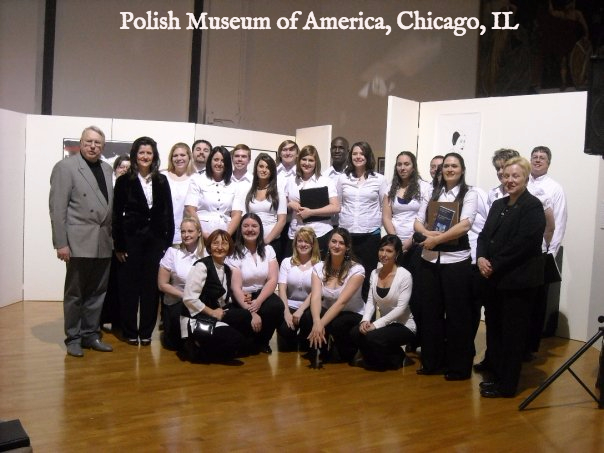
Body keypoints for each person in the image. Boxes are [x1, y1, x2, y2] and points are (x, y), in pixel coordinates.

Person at [476, 157, 546, 398]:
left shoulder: (533, 206)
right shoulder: (499, 204)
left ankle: (507, 385)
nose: (510, 180)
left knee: (512, 335)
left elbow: (523, 244)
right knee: (495, 330)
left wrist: (493, 264)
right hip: (495, 280)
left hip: (518, 282)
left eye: (515, 176)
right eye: (506, 176)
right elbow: (484, 236)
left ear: (526, 178)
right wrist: (481, 257)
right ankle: (495, 375)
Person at [49, 125, 114, 357]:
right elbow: (57, 209)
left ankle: (90, 335)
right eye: (89, 142)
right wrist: (61, 243)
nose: (93, 146)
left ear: (102, 146)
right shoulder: (65, 167)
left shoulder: (107, 168)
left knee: (98, 293)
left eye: (97, 143)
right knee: (75, 294)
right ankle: (73, 338)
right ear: (81, 143)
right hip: (78, 242)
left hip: (103, 241)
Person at [414, 152, 478, 381]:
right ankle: (432, 362)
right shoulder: (431, 192)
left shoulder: (470, 193)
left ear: (462, 170)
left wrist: (436, 240)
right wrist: (427, 234)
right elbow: (417, 221)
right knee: (430, 313)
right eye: (446, 166)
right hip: (429, 260)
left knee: (457, 315)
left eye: (454, 166)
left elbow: (465, 225)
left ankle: (458, 367)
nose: (450, 169)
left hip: (456, 261)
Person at [113, 136, 174, 346]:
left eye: (149, 153)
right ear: (135, 155)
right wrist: (119, 245)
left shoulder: (162, 180)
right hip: (131, 241)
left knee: (150, 288)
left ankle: (146, 332)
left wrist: (167, 244)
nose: (145, 156)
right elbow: (116, 215)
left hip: (155, 242)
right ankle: (130, 330)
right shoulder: (124, 181)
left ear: (154, 156)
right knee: (129, 287)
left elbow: (169, 213)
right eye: (141, 153)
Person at [181, 229, 249, 363]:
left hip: (216, 315)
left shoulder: (227, 269)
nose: (219, 247)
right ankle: (197, 346)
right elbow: (189, 299)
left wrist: (244, 295)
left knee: (246, 316)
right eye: (215, 243)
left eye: (224, 243)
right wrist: (212, 312)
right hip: (198, 318)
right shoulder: (201, 266)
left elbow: (223, 299)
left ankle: (212, 345)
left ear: (229, 247)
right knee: (236, 341)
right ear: (209, 246)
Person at [299, 228, 365, 365]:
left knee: (337, 324)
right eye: (334, 241)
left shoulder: (357, 270)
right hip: (328, 310)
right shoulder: (319, 267)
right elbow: (315, 297)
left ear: (347, 247)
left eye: (341, 243)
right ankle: (321, 348)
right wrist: (317, 321)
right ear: (328, 244)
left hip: (351, 313)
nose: (336, 245)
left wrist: (320, 324)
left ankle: (347, 349)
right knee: (308, 316)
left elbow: (341, 302)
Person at [350, 235, 416, 371]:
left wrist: (376, 324)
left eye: (389, 251)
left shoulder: (405, 275)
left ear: (397, 254)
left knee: (372, 337)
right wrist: (365, 320)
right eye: (381, 250)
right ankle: (383, 359)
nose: (384, 254)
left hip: (404, 326)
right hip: (386, 325)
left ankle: (394, 358)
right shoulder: (374, 273)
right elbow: (370, 301)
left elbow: (400, 309)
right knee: (356, 332)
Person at [526, 145, 567, 353]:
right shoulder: (522, 182)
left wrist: (550, 253)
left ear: (548, 163)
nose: (537, 160)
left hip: (541, 253)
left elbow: (559, 223)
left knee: (537, 301)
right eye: (534, 156)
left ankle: (531, 345)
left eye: (542, 157)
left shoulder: (555, 188)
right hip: (521, 253)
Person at [227, 213, 285, 354]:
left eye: (254, 226)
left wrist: (258, 301)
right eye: (246, 226)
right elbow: (236, 288)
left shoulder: (268, 250)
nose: (250, 229)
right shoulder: (233, 252)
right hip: (242, 296)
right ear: (240, 229)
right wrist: (251, 312)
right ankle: (251, 342)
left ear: (260, 229)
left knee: (276, 306)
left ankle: (264, 342)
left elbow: (272, 279)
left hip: (262, 293)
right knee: (245, 345)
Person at [337, 141, 387, 300]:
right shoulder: (343, 178)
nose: (358, 157)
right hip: (347, 235)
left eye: (362, 153)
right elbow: (339, 204)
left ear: (368, 156)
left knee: (367, 275)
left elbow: (384, 207)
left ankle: (367, 311)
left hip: (370, 235)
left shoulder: (379, 179)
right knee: (345, 275)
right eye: (355, 153)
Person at [157, 217, 205, 351]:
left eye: (190, 231)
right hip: (177, 302)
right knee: (174, 346)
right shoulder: (172, 252)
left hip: (200, 303)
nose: (186, 235)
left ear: (199, 233)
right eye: (183, 231)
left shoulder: (207, 254)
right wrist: (186, 296)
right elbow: (162, 284)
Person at [285, 145, 340, 255]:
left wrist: (311, 212)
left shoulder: (325, 181)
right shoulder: (291, 181)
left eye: (311, 160)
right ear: (299, 161)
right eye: (304, 159)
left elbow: (336, 207)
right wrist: (290, 204)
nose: (307, 163)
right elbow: (284, 203)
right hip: (296, 233)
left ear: (316, 162)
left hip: (319, 233)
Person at [232, 153, 287, 260]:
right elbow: (243, 218)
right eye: (261, 166)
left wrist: (266, 241)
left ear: (272, 171)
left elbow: (282, 220)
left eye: (268, 167)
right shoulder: (248, 191)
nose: (264, 170)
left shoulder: (278, 192)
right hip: (250, 242)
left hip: (272, 243)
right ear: (256, 168)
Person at [277, 227, 321, 351]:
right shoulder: (286, 262)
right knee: (285, 333)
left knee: (305, 345)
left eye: (307, 241)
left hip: (308, 308)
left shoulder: (319, 265)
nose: (303, 244)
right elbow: (282, 289)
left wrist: (300, 310)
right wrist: (286, 312)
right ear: (295, 243)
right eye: (300, 241)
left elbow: (315, 292)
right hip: (289, 305)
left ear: (313, 244)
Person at [184, 146, 241, 242]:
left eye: (223, 161)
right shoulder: (197, 180)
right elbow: (190, 209)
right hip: (201, 235)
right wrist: (202, 233)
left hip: (224, 236)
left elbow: (237, 214)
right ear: (210, 161)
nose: (219, 163)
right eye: (216, 160)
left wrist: (225, 236)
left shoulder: (234, 185)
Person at [163, 142, 194, 245]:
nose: (179, 158)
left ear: (189, 157)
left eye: (182, 155)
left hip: (186, 236)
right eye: (175, 155)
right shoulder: (162, 176)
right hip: (163, 233)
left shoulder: (195, 178)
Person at [325, 136, 349, 227]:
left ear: (348, 151)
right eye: (334, 148)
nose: (337, 151)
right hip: (329, 225)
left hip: (349, 225)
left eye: (341, 148)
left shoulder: (354, 175)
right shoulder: (324, 176)